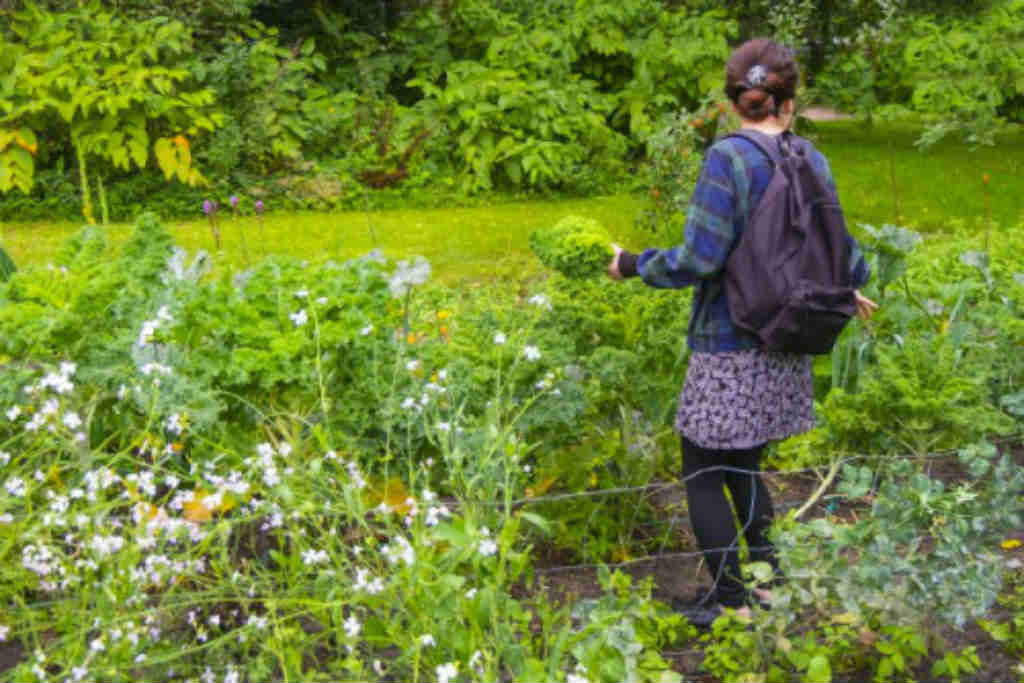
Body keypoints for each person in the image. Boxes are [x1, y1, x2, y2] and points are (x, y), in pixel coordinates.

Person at [606, 38, 877, 620]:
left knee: (702, 471)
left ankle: (731, 602)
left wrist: (630, 264)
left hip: (729, 342)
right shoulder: (811, 157)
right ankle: (768, 583)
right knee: (744, 465)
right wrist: (847, 287)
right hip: (785, 338)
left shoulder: (727, 159)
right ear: (790, 98)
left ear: (734, 99)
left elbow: (700, 258)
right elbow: (842, 247)